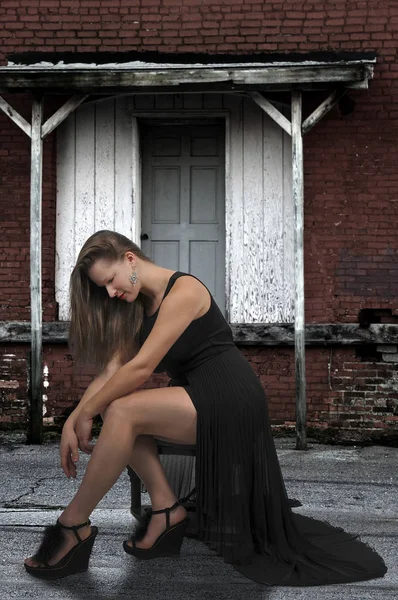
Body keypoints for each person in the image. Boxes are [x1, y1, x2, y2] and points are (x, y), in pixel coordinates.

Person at [24, 230, 387, 585]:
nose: (111, 291)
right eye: (103, 287)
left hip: (231, 396)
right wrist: (73, 419)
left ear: (130, 259)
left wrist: (87, 413)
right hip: (197, 394)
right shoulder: (138, 306)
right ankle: (167, 510)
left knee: (120, 411)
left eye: (111, 279)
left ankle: (73, 522)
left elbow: (141, 368)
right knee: (114, 407)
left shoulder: (185, 290)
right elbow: (113, 369)